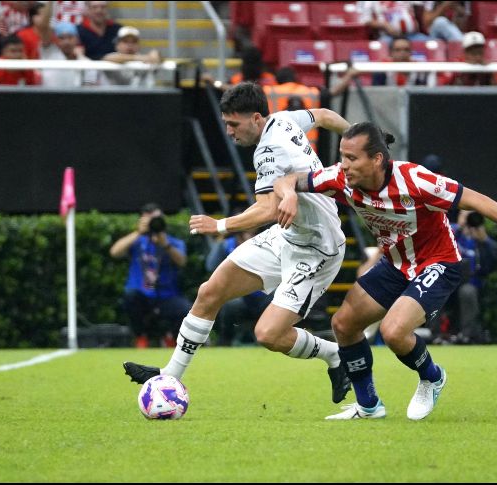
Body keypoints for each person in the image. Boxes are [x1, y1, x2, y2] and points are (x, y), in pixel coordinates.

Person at [273, 122, 497, 420]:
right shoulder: (340, 178)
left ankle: (432, 377)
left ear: (377, 160)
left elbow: (476, 200)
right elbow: (288, 180)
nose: (344, 165)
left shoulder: (414, 180)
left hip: (439, 262)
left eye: (352, 158)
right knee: (344, 324)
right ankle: (369, 406)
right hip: (396, 265)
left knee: (394, 332)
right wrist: (290, 195)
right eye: (342, 157)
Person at [123, 82, 355, 405]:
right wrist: (360, 134)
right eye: (226, 123)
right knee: (209, 292)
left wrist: (219, 225)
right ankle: (170, 377)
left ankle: (334, 355)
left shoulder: (268, 150)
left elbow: (267, 209)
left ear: (257, 118)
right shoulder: (285, 119)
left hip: (317, 250)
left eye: (234, 124)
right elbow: (326, 115)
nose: (229, 132)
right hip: (286, 236)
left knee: (268, 335)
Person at [109, 203, 192, 349]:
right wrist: (138, 232)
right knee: (130, 297)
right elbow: (115, 252)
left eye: (156, 219)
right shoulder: (137, 241)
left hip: (167, 295)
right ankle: (141, 337)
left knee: (185, 309)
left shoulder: (172, 242)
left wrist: (165, 244)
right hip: (142, 293)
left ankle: (172, 338)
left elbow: (182, 261)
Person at [204, 213, 271, 346]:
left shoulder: (266, 242)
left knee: (276, 301)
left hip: (262, 293)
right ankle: (225, 341)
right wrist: (221, 239)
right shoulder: (225, 245)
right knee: (231, 305)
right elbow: (210, 265)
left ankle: (268, 340)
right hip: (236, 294)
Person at [444, 209, 497, 344]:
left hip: (471, 284)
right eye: (465, 214)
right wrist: (460, 227)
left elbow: (495, 260)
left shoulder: (480, 237)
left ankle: (467, 335)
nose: (468, 218)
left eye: (471, 215)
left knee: (467, 291)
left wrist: (484, 239)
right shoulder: (451, 232)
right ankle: (436, 335)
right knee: (434, 290)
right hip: (447, 281)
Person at [372, 35, 446, 87]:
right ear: (391, 53)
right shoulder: (381, 69)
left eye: (406, 50)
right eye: (398, 50)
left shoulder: (420, 70)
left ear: (411, 52)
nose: (402, 53)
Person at [40, 21, 98, 87]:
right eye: (61, 38)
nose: (66, 42)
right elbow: (44, 26)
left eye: (70, 37)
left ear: (77, 39)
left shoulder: (87, 63)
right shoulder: (49, 53)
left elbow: (89, 90)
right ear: (56, 40)